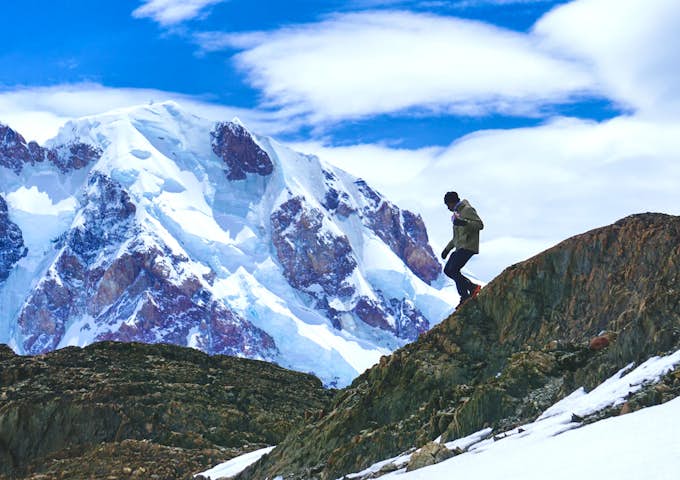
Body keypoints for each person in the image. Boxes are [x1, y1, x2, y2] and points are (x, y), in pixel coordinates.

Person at [441, 191, 484, 308]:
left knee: (454, 269)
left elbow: (480, 225)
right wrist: (447, 249)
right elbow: (456, 237)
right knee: (448, 270)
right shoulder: (456, 214)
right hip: (460, 247)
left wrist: (464, 222)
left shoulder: (467, 210)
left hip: (468, 246)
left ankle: (464, 296)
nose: (447, 208)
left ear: (452, 202)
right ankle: (472, 287)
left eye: (447, 205)